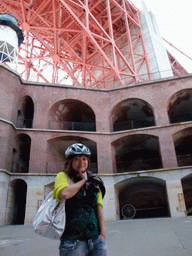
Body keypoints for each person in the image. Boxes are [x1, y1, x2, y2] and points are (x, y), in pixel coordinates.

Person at [53, 143, 107, 256]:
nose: (81, 162)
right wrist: (83, 180)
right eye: (76, 159)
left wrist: (103, 234)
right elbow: (65, 194)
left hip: (96, 240)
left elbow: (98, 207)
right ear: (70, 162)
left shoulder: (95, 181)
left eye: (84, 158)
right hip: (72, 242)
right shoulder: (63, 176)